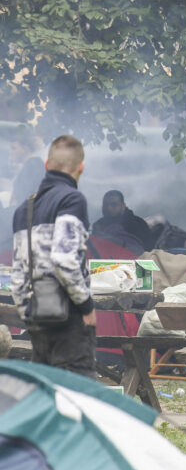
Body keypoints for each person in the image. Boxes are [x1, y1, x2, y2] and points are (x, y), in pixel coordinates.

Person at [11, 135, 97, 377]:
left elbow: (18, 274)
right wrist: (87, 306)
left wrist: (27, 312)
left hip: (37, 318)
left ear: (47, 165)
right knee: (76, 397)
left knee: (48, 396)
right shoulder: (72, 199)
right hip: (69, 319)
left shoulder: (24, 209)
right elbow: (64, 258)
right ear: (81, 166)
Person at [9, 134, 45, 207]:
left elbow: (26, 194)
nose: (10, 152)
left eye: (14, 148)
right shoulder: (30, 165)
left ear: (24, 149)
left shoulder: (33, 165)